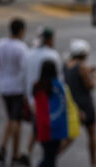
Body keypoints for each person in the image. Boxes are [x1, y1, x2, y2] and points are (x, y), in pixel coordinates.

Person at [0, 18, 30, 166]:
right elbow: (25, 68)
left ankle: (15, 154)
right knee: (13, 119)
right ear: (20, 31)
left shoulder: (1, 44)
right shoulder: (21, 47)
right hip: (17, 87)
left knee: (16, 120)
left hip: (4, 86)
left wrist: (4, 64)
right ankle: (3, 147)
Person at [23, 27, 63, 161]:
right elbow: (59, 80)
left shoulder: (29, 53)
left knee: (37, 126)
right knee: (45, 133)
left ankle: (28, 152)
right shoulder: (52, 55)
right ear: (49, 39)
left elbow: (24, 75)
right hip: (47, 100)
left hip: (31, 97)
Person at [32, 60, 77, 167]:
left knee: (48, 156)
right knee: (51, 158)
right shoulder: (59, 87)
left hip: (41, 127)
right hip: (56, 128)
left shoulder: (37, 86)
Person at [64, 39, 96, 167]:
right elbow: (90, 85)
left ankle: (52, 157)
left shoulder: (66, 64)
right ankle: (93, 162)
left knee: (70, 135)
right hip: (85, 103)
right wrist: (94, 76)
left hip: (72, 103)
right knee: (92, 133)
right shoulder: (82, 66)